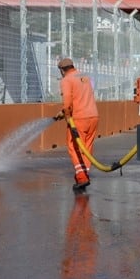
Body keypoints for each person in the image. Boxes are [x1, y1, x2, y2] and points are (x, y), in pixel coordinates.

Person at [54, 57, 99, 191]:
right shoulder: (84, 76)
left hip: (79, 118)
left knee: (74, 146)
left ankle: (81, 177)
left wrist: (67, 116)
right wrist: (64, 112)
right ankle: (85, 173)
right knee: (87, 147)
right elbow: (81, 96)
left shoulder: (66, 80)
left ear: (62, 70)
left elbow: (68, 101)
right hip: (93, 116)